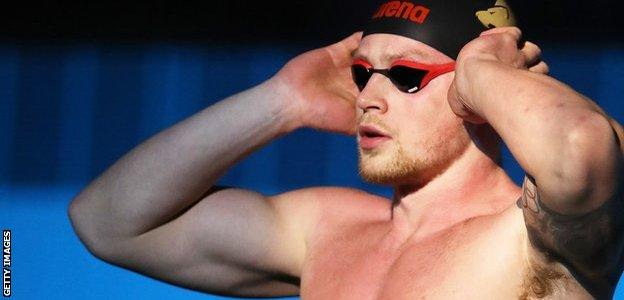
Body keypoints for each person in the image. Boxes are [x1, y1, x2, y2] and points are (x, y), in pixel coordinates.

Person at [68, 0, 624, 298]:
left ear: (482, 90)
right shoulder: (331, 231)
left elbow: (580, 145)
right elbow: (108, 223)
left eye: (406, 75)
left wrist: (481, 71)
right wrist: (282, 101)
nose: (368, 98)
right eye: (362, 74)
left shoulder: (536, 235)